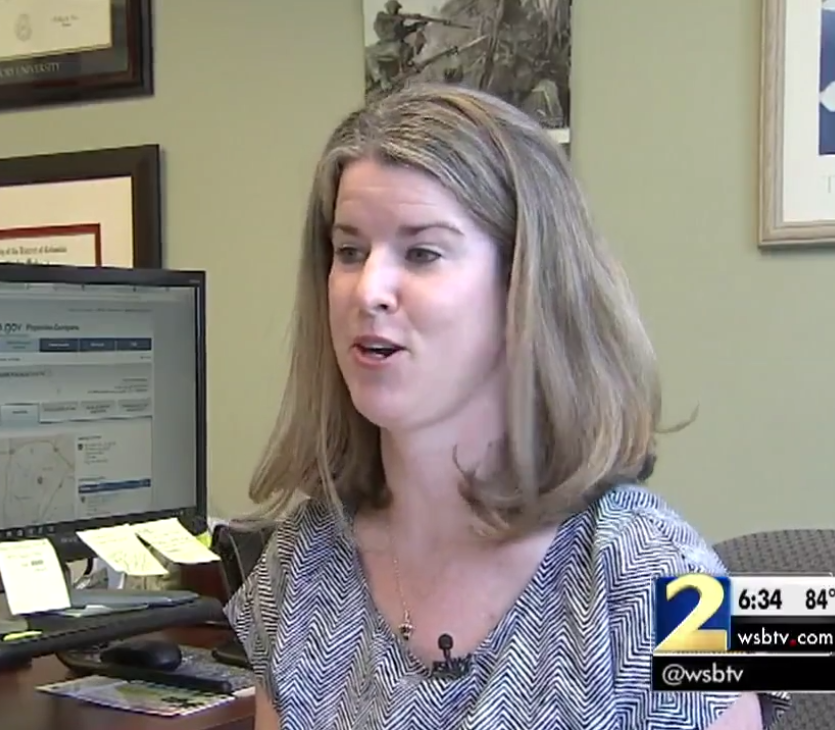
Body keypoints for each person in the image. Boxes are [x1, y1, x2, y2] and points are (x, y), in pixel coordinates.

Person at [223, 83, 792, 729]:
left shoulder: (662, 576)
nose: (368, 289)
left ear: (524, 287)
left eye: (422, 253)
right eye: (350, 251)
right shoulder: (304, 562)